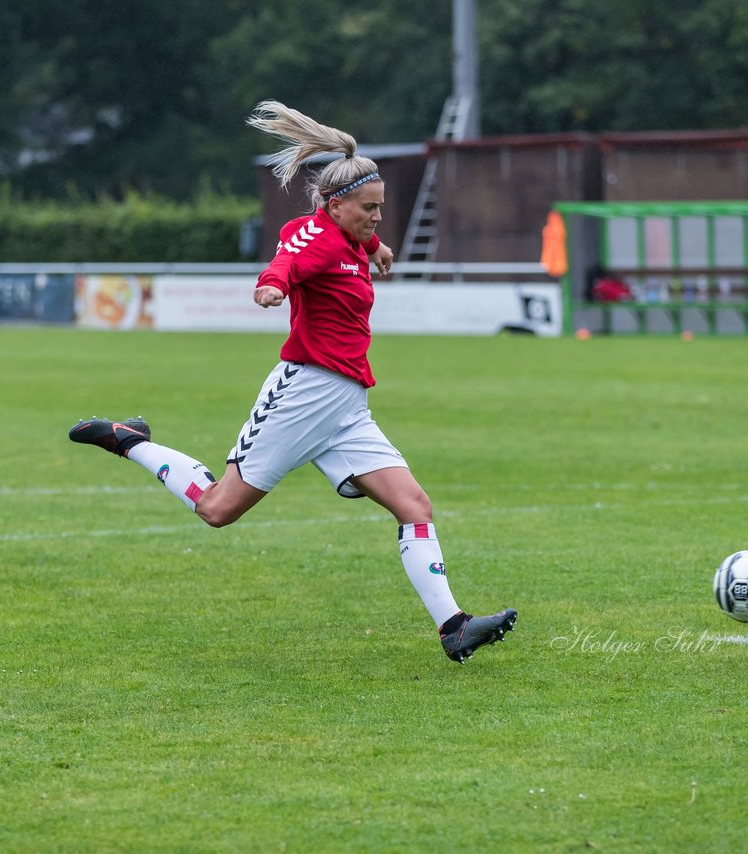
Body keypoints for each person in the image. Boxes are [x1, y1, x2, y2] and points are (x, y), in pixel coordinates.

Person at [68, 101, 517, 664]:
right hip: (304, 393)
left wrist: (373, 246)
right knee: (216, 509)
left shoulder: (348, 237)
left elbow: (350, 246)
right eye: (370, 210)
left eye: (382, 209)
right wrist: (270, 286)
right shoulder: (314, 234)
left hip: (348, 406)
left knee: (415, 506)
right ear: (336, 204)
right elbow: (288, 260)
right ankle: (129, 440)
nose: (378, 218)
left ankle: (453, 627)